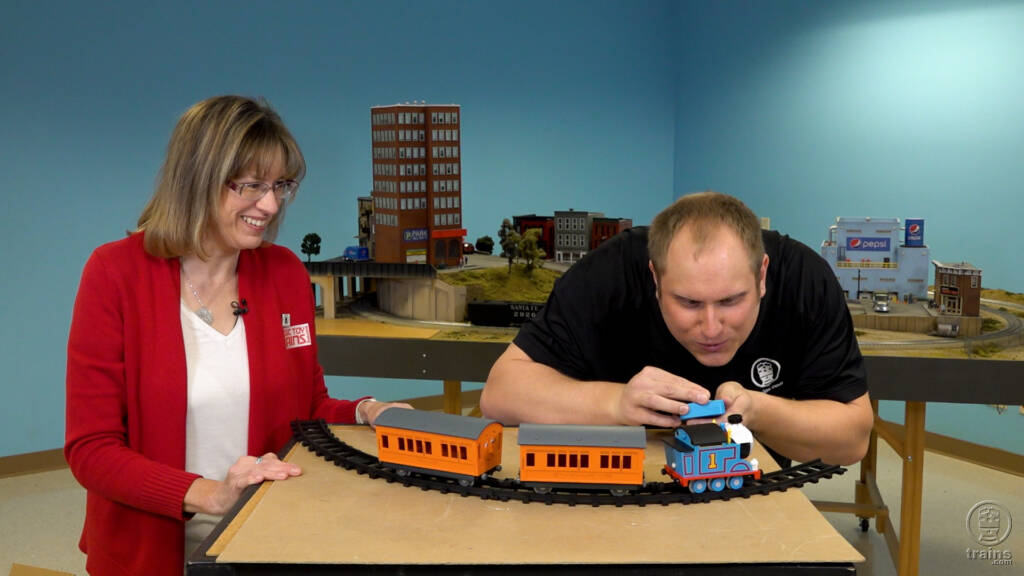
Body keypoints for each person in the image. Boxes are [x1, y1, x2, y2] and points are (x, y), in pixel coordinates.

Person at [64, 95, 410, 575]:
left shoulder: (285, 273)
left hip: (261, 540)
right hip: (147, 554)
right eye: (250, 185)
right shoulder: (114, 273)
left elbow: (304, 412)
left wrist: (366, 411)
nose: (268, 205)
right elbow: (92, 450)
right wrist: (211, 494)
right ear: (197, 179)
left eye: (280, 186)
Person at [480, 191, 872, 466]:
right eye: (688, 303)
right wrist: (618, 404)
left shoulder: (805, 280)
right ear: (654, 277)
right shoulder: (606, 275)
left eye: (731, 301)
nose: (712, 327)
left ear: (763, 275)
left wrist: (758, 411)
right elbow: (500, 394)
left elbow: (853, 438)